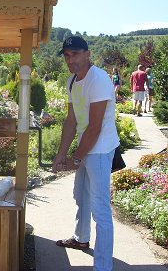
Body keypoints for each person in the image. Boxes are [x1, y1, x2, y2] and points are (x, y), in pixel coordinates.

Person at [52, 36, 119, 271]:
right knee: (81, 196)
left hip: (99, 149)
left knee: (101, 210)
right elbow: (71, 121)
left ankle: (103, 267)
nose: (71, 60)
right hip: (86, 145)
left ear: (88, 54)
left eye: (76, 54)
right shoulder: (72, 81)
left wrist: (76, 157)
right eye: (67, 55)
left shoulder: (98, 79)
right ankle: (81, 239)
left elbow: (95, 127)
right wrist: (62, 154)